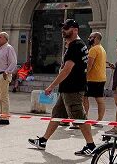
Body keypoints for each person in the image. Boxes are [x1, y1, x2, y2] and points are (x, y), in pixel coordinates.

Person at [28, 19, 95, 156]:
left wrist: (51, 86)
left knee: (79, 117)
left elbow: (66, 70)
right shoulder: (78, 45)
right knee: (57, 115)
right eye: (63, 27)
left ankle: (91, 145)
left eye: (67, 28)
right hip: (69, 87)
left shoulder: (75, 46)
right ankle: (43, 141)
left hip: (73, 88)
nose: (63, 30)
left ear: (75, 30)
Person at [0, 31, 17, 125]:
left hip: (3, 75)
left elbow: (13, 62)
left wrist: (7, 71)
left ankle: (5, 118)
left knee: (4, 97)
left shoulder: (9, 48)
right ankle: (1, 115)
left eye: (0, 37)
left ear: (5, 38)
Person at [84, 31, 108, 121]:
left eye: (91, 37)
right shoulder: (102, 49)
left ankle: (84, 117)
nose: (89, 39)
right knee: (100, 99)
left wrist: (84, 75)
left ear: (97, 38)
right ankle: (99, 120)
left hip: (92, 78)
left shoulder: (93, 50)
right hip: (101, 77)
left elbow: (89, 65)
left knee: (84, 97)